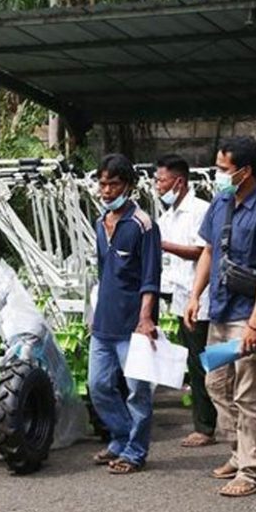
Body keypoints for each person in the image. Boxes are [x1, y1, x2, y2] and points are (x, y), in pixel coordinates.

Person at [184, 136, 256, 498]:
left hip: (248, 315)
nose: (217, 174)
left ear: (244, 171)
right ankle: (236, 450)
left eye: (223, 169)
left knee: (248, 393)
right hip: (221, 310)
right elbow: (209, 251)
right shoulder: (222, 201)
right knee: (215, 383)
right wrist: (195, 295)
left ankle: (250, 470)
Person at [89, 153, 161, 475]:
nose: (106, 190)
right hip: (103, 325)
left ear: (128, 186)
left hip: (133, 326)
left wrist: (146, 319)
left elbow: (150, 277)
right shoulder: (99, 223)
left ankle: (135, 451)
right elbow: (105, 274)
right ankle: (120, 437)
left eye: (113, 184)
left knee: (137, 392)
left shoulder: (142, 225)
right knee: (99, 386)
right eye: (103, 184)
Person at [154, 154, 216, 447]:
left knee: (202, 361)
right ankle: (207, 420)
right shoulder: (166, 217)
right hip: (180, 296)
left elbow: (202, 251)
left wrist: (163, 244)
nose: (157, 186)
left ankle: (205, 426)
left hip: (200, 296)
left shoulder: (200, 211)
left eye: (161, 180)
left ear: (178, 182)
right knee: (194, 361)